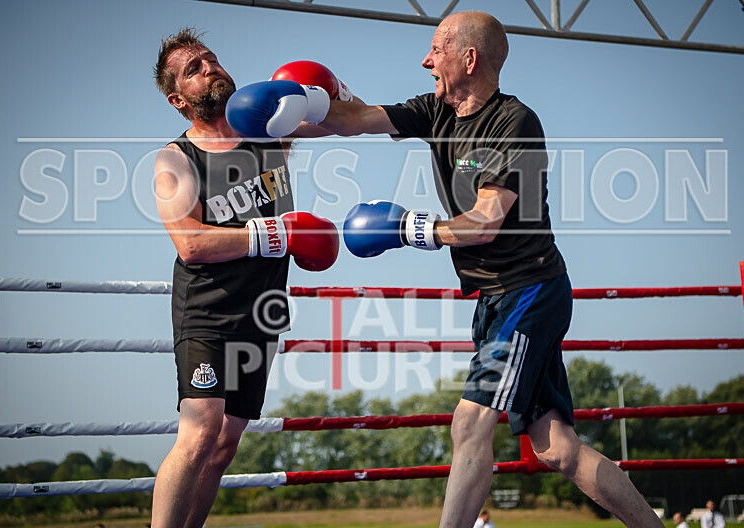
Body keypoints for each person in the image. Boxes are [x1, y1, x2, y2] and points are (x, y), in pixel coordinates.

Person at [224, 9, 665, 528]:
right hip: (495, 298)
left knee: (470, 422)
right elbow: (358, 119)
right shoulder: (434, 111)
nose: (426, 60)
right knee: (557, 450)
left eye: (437, 49)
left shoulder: (514, 123)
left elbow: (485, 221)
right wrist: (306, 103)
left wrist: (413, 227)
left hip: (528, 291)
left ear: (468, 58)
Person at [150, 29, 338, 528]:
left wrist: (324, 93)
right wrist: (278, 232)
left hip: (262, 311)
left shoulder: (266, 131)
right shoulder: (174, 159)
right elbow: (190, 243)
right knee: (200, 433)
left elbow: (339, 122)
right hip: (207, 312)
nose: (210, 68)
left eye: (211, 59)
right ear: (178, 99)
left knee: (224, 445)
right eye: (194, 68)